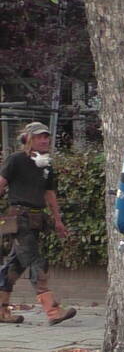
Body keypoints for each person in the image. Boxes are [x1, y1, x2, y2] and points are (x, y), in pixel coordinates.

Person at [0, 121, 76, 325]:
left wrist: (58, 220)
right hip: (20, 218)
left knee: (14, 265)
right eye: (39, 137)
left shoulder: (46, 164)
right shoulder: (15, 160)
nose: (45, 140)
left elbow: (49, 194)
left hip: (36, 219)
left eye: (46, 136)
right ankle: (53, 311)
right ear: (28, 139)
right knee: (36, 261)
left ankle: (1, 311)